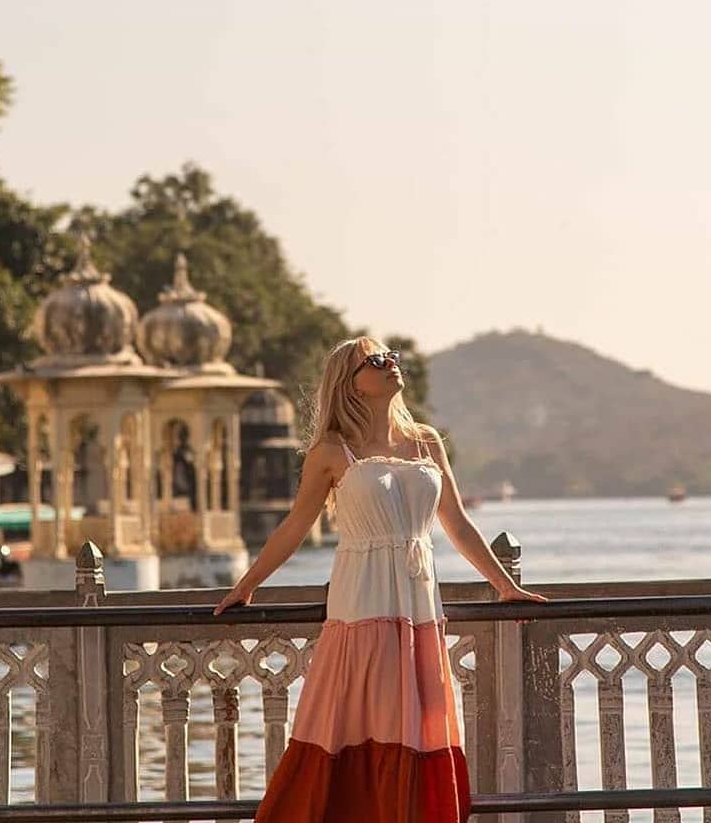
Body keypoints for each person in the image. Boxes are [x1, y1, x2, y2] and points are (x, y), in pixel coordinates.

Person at [214, 337, 547, 822]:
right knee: (357, 720)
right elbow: (295, 525)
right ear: (349, 383)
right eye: (375, 360)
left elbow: (455, 522)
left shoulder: (427, 440)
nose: (391, 363)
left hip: (419, 608)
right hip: (361, 603)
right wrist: (247, 584)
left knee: (420, 724)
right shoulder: (331, 450)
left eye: (392, 356)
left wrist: (505, 587)